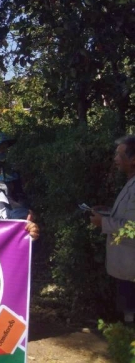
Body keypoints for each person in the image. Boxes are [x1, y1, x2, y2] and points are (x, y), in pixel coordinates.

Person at [90, 135, 135, 323]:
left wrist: (104, 223)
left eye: (119, 155)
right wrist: (108, 213)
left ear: (133, 160)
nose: (115, 159)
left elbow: (132, 228)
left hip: (131, 270)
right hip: (126, 269)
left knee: (130, 319)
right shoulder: (131, 182)